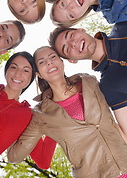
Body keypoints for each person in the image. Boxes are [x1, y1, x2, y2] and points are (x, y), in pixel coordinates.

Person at [7, 46, 127, 178]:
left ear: (62, 62)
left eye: (53, 57)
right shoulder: (41, 115)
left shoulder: (89, 82)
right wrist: (13, 110)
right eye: (41, 62)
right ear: (39, 74)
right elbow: (14, 156)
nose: (49, 62)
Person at [0, 51, 56, 178]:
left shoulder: (28, 116)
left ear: (32, 77)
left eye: (26, 70)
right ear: (6, 70)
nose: (18, 74)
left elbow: (43, 161)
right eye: (14, 67)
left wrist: (56, 118)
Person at [49, 23, 127, 140]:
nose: (73, 43)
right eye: (67, 49)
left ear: (81, 29)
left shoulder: (122, 27)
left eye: (70, 36)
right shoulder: (108, 87)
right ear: (72, 60)